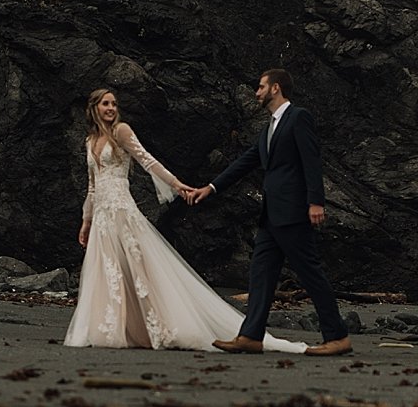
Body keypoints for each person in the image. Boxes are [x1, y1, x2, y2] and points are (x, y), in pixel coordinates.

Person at [63, 89, 306, 353]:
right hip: (101, 216)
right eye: (105, 104)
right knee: (109, 272)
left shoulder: (121, 131)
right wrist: (86, 221)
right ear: (94, 108)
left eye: (113, 104)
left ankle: (155, 325)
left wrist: (177, 185)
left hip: (122, 210)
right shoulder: (90, 140)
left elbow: (148, 161)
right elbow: (92, 187)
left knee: (138, 270)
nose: (111, 108)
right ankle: (115, 329)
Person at [187, 69, 351, 357]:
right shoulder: (268, 129)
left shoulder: (298, 117)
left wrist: (316, 202)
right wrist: (210, 188)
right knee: (260, 275)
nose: (257, 92)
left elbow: (311, 160)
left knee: (310, 273)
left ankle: (337, 337)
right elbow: (244, 163)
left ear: (276, 88)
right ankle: (250, 336)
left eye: (261, 87)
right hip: (271, 216)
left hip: (293, 213)